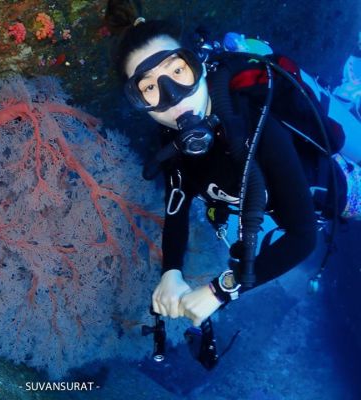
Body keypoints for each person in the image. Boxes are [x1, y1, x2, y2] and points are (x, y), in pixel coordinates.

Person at [104, 0, 361, 327]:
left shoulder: (255, 124)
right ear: (139, 103)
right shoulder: (171, 141)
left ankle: (347, 96)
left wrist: (219, 291)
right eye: (150, 87)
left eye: (177, 71)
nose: (173, 96)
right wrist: (171, 272)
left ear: (197, 64)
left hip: (332, 185)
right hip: (267, 203)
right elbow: (177, 207)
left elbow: (302, 238)